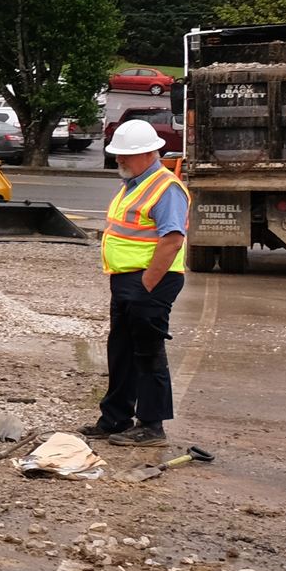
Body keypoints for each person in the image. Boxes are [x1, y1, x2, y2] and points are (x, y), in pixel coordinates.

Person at [84, 118, 191, 445]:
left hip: (151, 282)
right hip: (127, 281)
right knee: (121, 351)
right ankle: (114, 419)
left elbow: (171, 240)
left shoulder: (165, 188)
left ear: (148, 154)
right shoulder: (134, 183)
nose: (118, 160)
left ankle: (151, 425)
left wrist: (146, 284)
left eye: (124, 155)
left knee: (147, 353)